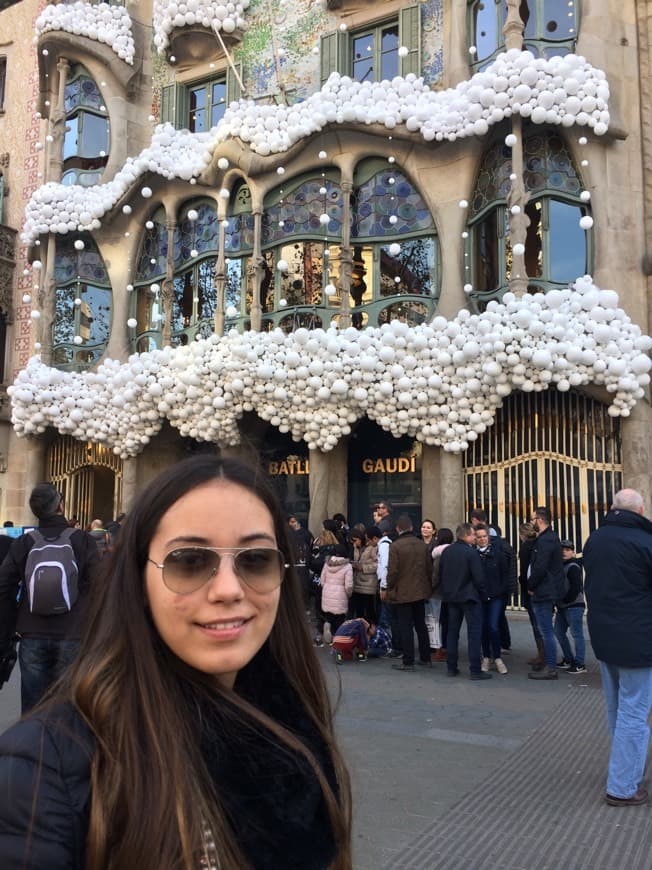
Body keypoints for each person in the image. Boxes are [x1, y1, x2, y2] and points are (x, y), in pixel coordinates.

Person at [0, 456, 353, 865]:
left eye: (255, 560)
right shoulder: (42, 774)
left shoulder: (300, 736)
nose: (228, 590)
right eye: (188, 561)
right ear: (137, 579)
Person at [0, 484, 99, 714]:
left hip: (32, 632)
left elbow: (3, 586)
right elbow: (100, 584)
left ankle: (33, 748)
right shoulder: (82, 540)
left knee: (33, 709)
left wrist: (14, 622)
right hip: (73, 632)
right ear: (60, 506)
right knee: (68, 708)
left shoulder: (24, 542)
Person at [584, 488, 652, 807]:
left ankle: (624, 769)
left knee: (617, 709)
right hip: (638, 639)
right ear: (639, 511)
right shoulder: (645, 543)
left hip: (604, 635)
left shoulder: (595, 539)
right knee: (634, 712)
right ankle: (623, 785)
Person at [439, 523, 490, 681]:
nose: (475, 538)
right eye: (474, 535)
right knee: (474, 634)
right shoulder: (471, 553)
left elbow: (441, 573)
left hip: (452, 598)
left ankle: (451, 667)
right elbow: (479, 578)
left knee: (452, 633)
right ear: (467, 535)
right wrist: (484, 595)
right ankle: (475, 669)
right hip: (469, 597)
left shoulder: (447, 551)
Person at [385, 514, 432, 672]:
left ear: (398, 529)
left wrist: (389, 587)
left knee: (405, 627)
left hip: (403, 592)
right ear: (411, 528)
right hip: (420, 591)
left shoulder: (396, 546)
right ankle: (425, 657)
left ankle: (408, 661)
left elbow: (392, 572)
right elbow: (429, 569)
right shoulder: (422, 545)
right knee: (421, 625)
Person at [527, 506, 567, 681]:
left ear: (540, 520)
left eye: (532, 519)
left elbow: (540, 567)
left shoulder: (545, 540)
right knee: (546, 630)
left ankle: (550, 668)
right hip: (546, 589)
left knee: (546, 631)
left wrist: (531, 584)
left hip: (543, 591)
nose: (531, 522)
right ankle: (549, 665)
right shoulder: (548, 538)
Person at [475, 525, 509, 675]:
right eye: (479, 537)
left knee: (493, 627)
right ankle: (486, 657)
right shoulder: (473, 555)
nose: (482, 539)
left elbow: (505, 575)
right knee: (483, 627)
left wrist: (501, 592)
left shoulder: (498, 555)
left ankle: (498, 657)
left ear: (488, 537)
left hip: (496, 596)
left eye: (484, 536)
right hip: (480, 597)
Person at [309, 520, 347, 646]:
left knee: (322, 611)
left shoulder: (323, 552)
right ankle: (338, 635)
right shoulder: (342, 550)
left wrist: (313, 554)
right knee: (338, 613)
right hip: (340, 587)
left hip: (325, 587)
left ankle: (322, 633)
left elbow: (316, 566)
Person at [554, 540, 586, 674]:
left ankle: (579, 663)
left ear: (573, 552)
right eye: (562, 549)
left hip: (573, 606)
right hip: (563, 606)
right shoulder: (561, 566)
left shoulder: (573, 566)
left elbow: (575, 588)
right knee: (559, 632)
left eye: (567, 550)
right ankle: (568, 658)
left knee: (577, 634)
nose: (564, 552)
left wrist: (564, 600)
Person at [518, 522, 543, 669]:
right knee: (539, 623)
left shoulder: (526, 547)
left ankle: (542, 655)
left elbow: (525, 570)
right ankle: (542, 654)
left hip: (531, 589)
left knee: (537, 624)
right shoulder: (539, 544)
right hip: (539, 588)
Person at [429, 528, 453, 662]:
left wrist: (429, 588)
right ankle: (448, 647)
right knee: (448, 622)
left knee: (437, 621)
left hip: (438, 593)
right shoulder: (453, 552)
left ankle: (440, 649)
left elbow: (435, 576)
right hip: (450, 593)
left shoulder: (438, 554)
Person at [319, 550, 353, 644]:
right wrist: (349, 594)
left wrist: (326, 588)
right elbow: (348, 585)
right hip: (340, 594)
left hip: (327, 592)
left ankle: (327, 625)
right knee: (340, 618)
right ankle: (337, 638)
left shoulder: (327, 564)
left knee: (329, 616)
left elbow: (322, 579)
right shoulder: (347, 566)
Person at [350, 526, 380, 625]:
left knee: (370, 610)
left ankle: (373, 631)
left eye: (355, 540)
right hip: (357, 583)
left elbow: (378, 564)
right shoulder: (356, 548)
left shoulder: (372, 547)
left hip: (368, 583)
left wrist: (363, 567)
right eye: (352, 541)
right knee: (359, 611)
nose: (354, 543)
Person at [288, 515, 314, 610]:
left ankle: (304, 607)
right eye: (291, 521)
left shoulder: (305, 534)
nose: (292, 524)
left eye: (294, 521)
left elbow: (310, 548)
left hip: (302, 565)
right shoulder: (287, 534)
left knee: (303, 587)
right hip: (295, 565)